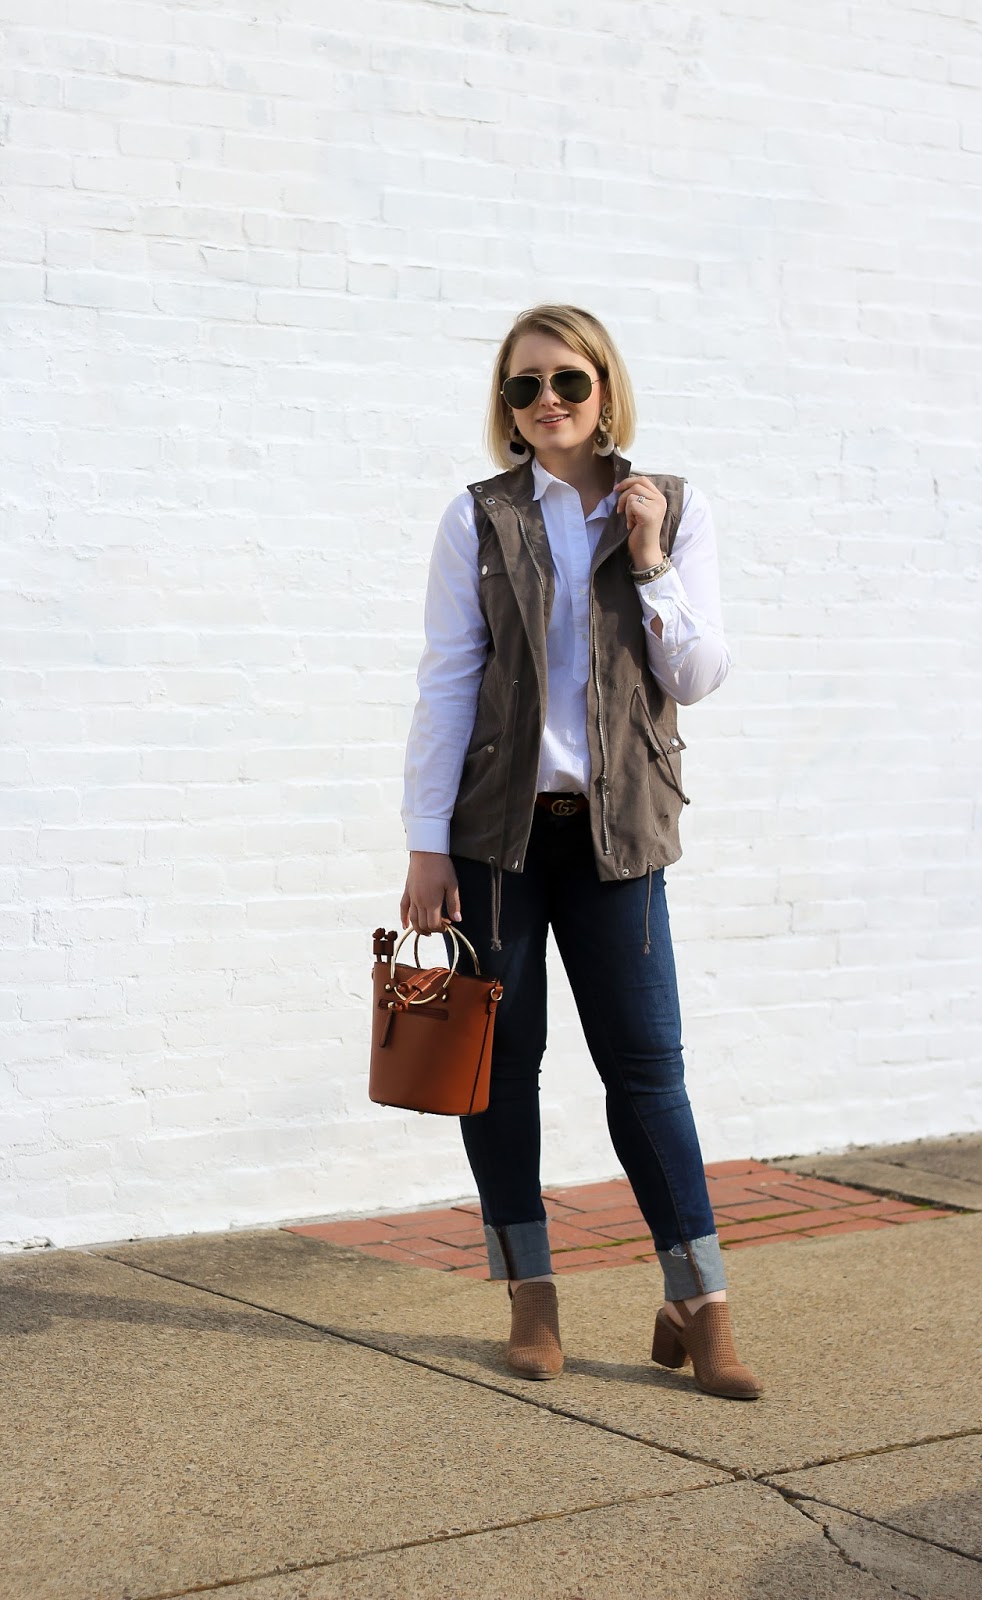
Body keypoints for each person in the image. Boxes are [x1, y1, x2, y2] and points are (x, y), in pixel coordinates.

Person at [400, 304, 761, 1399]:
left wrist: (648, 559)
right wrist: (425, 845)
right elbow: (447, 679)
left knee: (647, 1069)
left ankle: (698, 1298)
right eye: (525, 386)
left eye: (567, 380)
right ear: (506, 406)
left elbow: (697, 675)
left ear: (605, 387)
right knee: (500, 1067)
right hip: (495, 840)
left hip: (620, 837)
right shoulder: (480, 518)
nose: (547, 401)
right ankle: (531, 1291)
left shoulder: (673, 509)